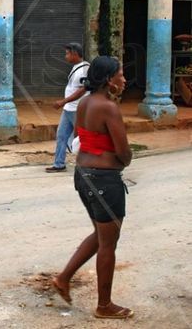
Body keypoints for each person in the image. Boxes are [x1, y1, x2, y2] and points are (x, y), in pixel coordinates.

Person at [52, 56, 133, 320]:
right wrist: (122, 160)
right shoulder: (108, 107)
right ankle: (104, 305)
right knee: (109, 242)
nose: (124, 79)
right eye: (120, 75)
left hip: (83, 175)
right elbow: (124, 152)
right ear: (109, 79)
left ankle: (63, 278)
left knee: (100, 234)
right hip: (104, 179)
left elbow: (80, 138)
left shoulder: (85, 102)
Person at [46, 43, 89, 173]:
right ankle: (59, 164)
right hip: (68, 109)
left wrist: (63, 101)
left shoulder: (84, 69)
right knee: (61, 135)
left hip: (77, 110)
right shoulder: (76, 67)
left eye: (67, 53)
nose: (66, 56)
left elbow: (83, 89)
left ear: (75, 54)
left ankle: (88, 163)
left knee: (82, 138)